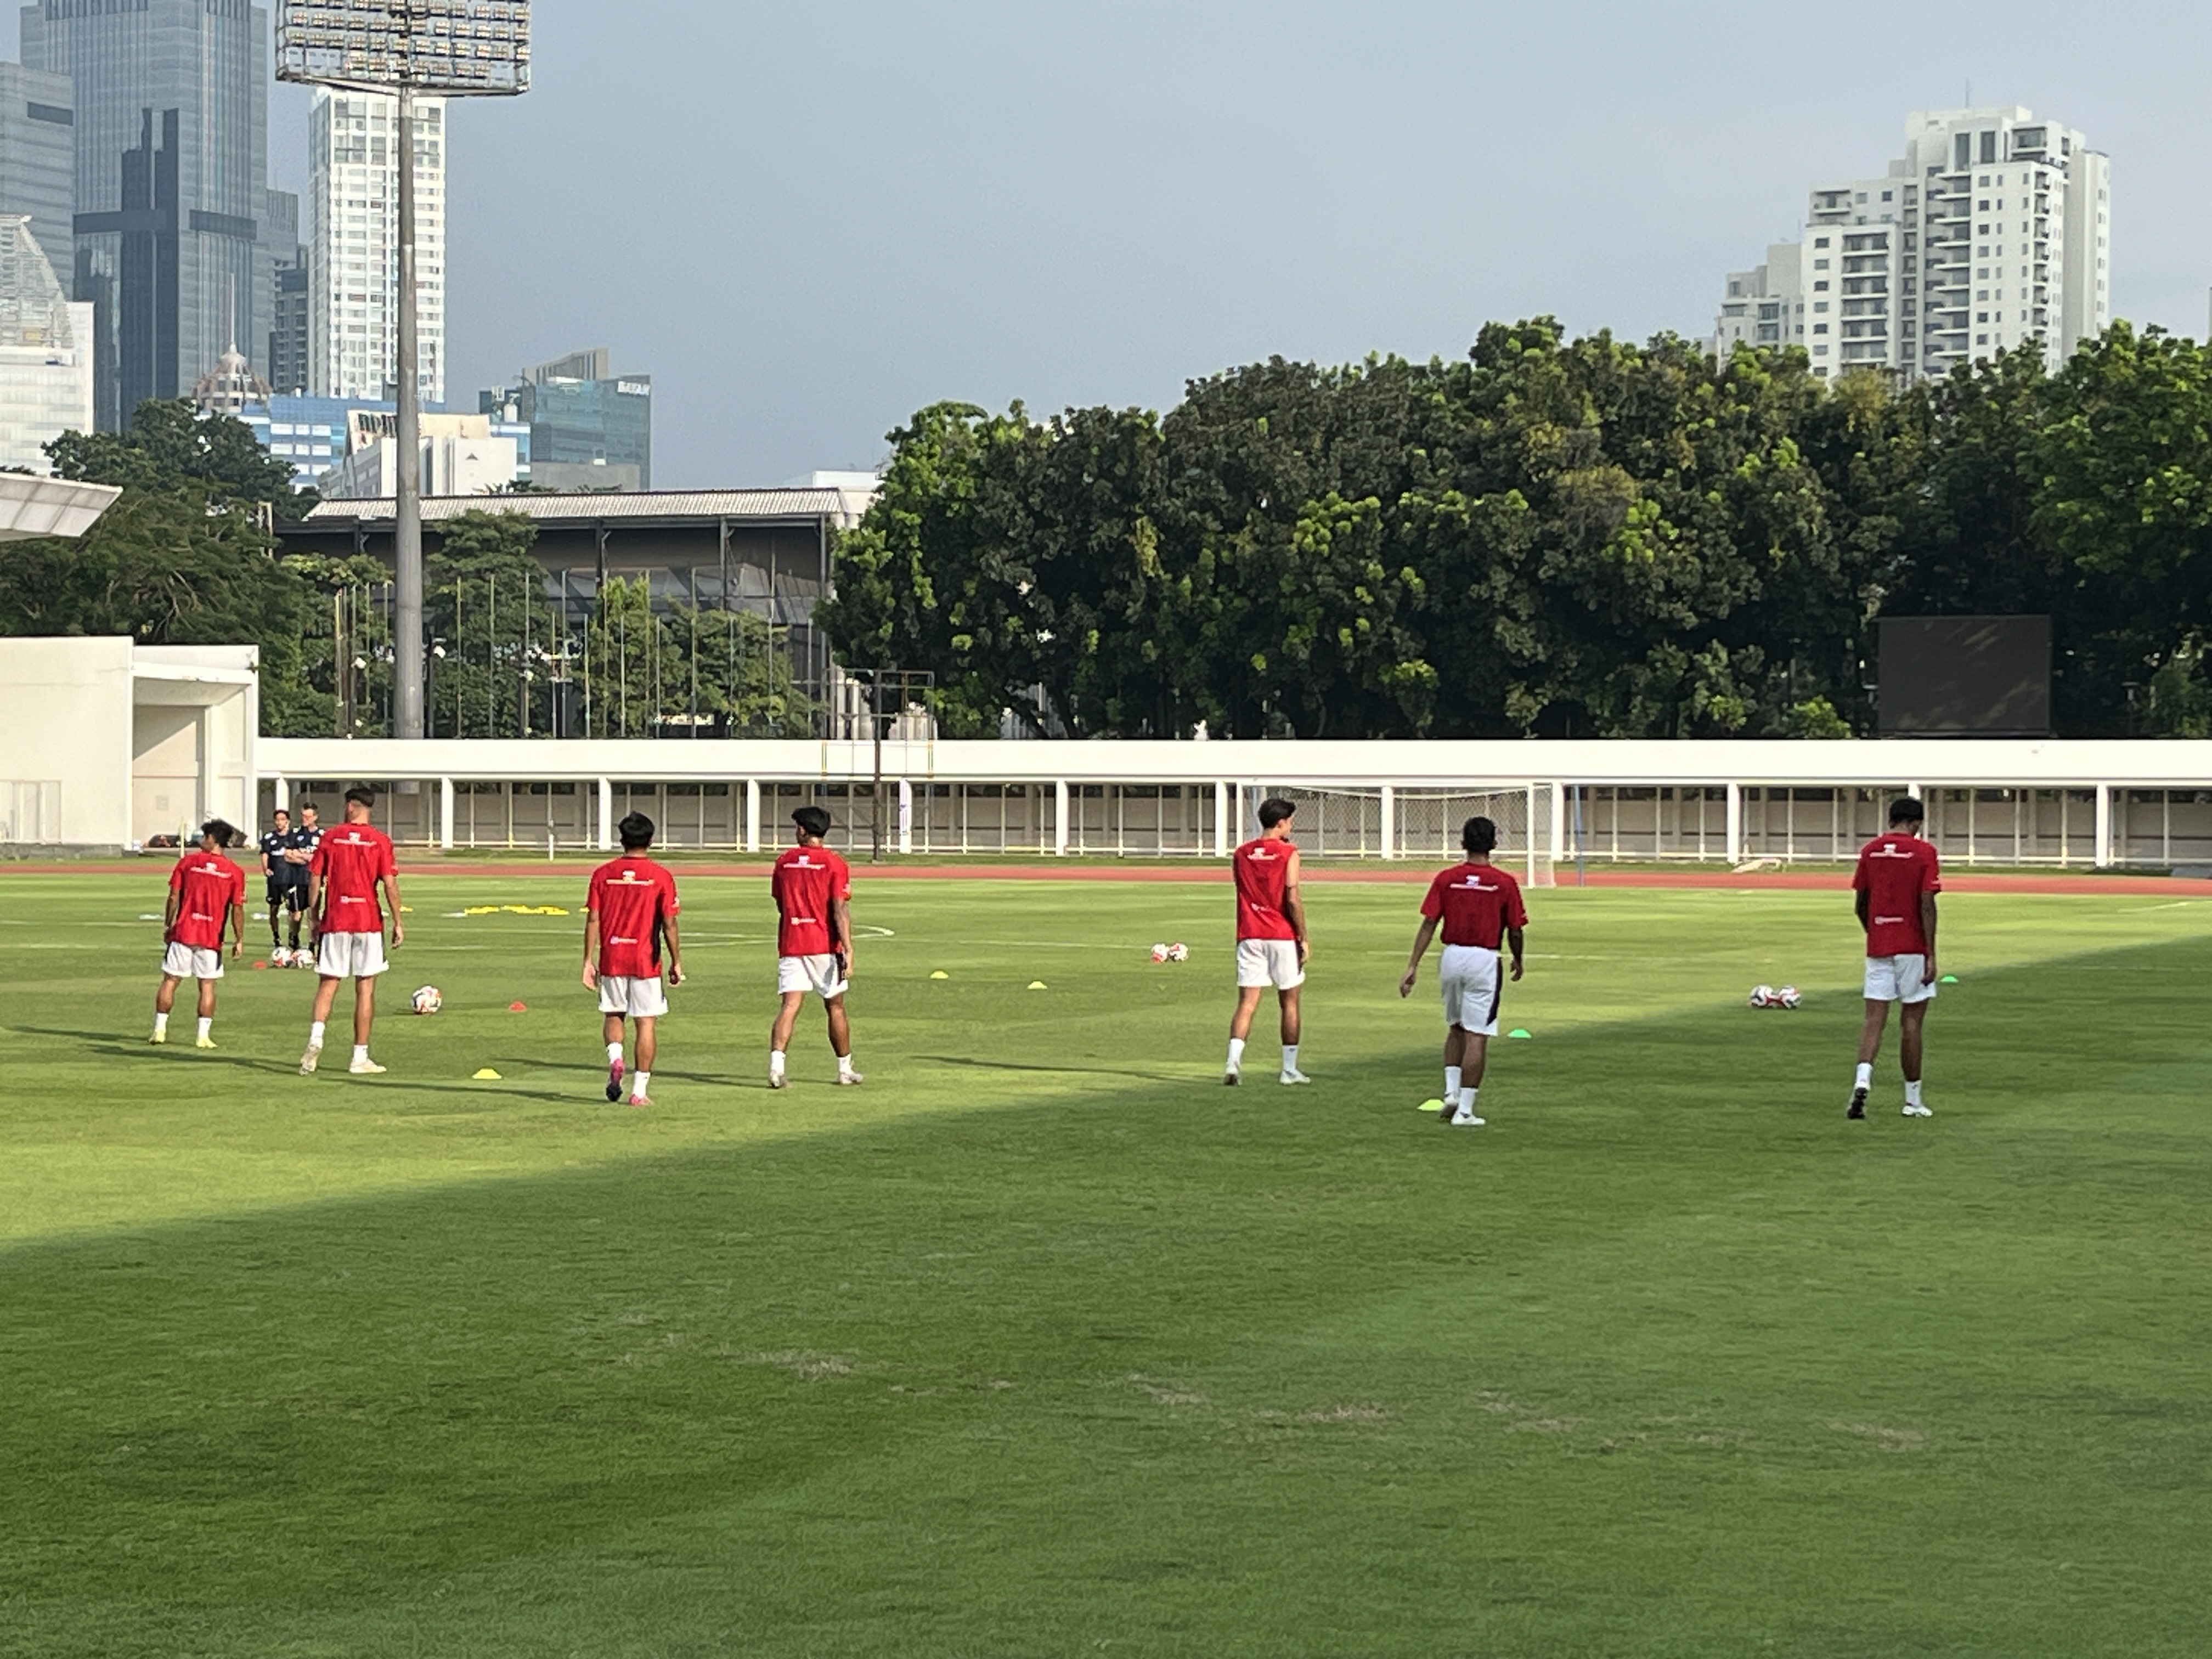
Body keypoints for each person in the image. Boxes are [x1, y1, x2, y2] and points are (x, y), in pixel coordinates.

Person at [1399, 816, 1528, 1127]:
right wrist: (1518, 959)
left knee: (1455, 1027)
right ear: (1494, 844)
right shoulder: (1504, 882)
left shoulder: (1447, 878)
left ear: (1462, 843)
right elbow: (1516, 929)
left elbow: (1429, 922)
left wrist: (1413, 965)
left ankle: (1450, 1093)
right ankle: (1466, 1111)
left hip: (1452, 956)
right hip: (1484, 958)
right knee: (1477, 1034)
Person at [300, 786, 403, 1076]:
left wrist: (314, 915)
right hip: (367, 920)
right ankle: (359, 1057)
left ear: (350, 806)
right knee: (365, 988)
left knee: (328, 984)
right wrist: (398, 921)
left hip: (336, 918)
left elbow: (316, 878)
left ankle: (316, 1040)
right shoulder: (380, 841)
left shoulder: (331, 837)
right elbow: (390, 885)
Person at [583, 811, 684, 1108]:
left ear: (621, 839)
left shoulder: (602, 874)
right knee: (646, 1023)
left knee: (614, 1015)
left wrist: (588, 960)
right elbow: (669, 924)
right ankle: (639, 1092)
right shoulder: (661, 876)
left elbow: (593, 919)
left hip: (613, 955)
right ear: (651, 840)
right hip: (645, 960)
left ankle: (616, 1059)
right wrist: (677, 961)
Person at [1849, 797, 1941, 1120]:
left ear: (1891, 819)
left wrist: (1873, 932)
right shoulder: (1924, 852)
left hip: (1879, 944)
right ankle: (1913, 1100)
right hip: (1912, 946)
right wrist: (1931, 953)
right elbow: (1927, 904)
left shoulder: (1870, 851)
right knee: (1912, 1023)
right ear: (1916, 823)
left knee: (1874, 1019)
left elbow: (1860, 902)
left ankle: (1862, 1082)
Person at [768, 805, 861, 1088]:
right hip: (823, 944)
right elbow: (839, 909)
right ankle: (844, 1070)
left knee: (790, 1005)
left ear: (804, 830)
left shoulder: (784, 862)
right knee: (835, 1006)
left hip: (792, 940)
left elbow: (780, 901)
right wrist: (848, 947)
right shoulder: (835, 864)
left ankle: (776, 1067)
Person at [1225, 797, 1310, 1085]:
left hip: (1249, 933)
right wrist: (1303, 937)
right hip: (1281, 934)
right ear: (1281, 822)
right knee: (1290, 1002)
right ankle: (1289, 1070)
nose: (1292, 827)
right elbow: (1293, 897)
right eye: (1291, 822)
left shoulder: (1241, 854)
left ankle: (1233, 1063)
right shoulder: (1289, 852)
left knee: (1247, 1003)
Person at [151, 820, 247, 1049]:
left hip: (184, 932)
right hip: (211, 938)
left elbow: (174, 897)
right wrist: (239, 939)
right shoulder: (235, 871)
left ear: (214, 839)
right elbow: (238, 908)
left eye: (205, 837)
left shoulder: (188, 863)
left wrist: (168, 924)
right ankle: (203, 1036)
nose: (202, 841)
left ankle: (159, 1029)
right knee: (207, 985)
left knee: (171, 981)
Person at [283, 800, 324, 961]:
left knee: (314, 914)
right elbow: (287, 855)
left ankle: (313, 946)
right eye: (303, 816)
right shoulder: (294, 833)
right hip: (296, 879)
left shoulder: (322, 835)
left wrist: (300, 855)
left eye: (308, 816)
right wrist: (306, 858)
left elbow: (320, 858)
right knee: (296, 915)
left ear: (315, 817)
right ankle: (294, 937)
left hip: (315, 879)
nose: (305, 819)